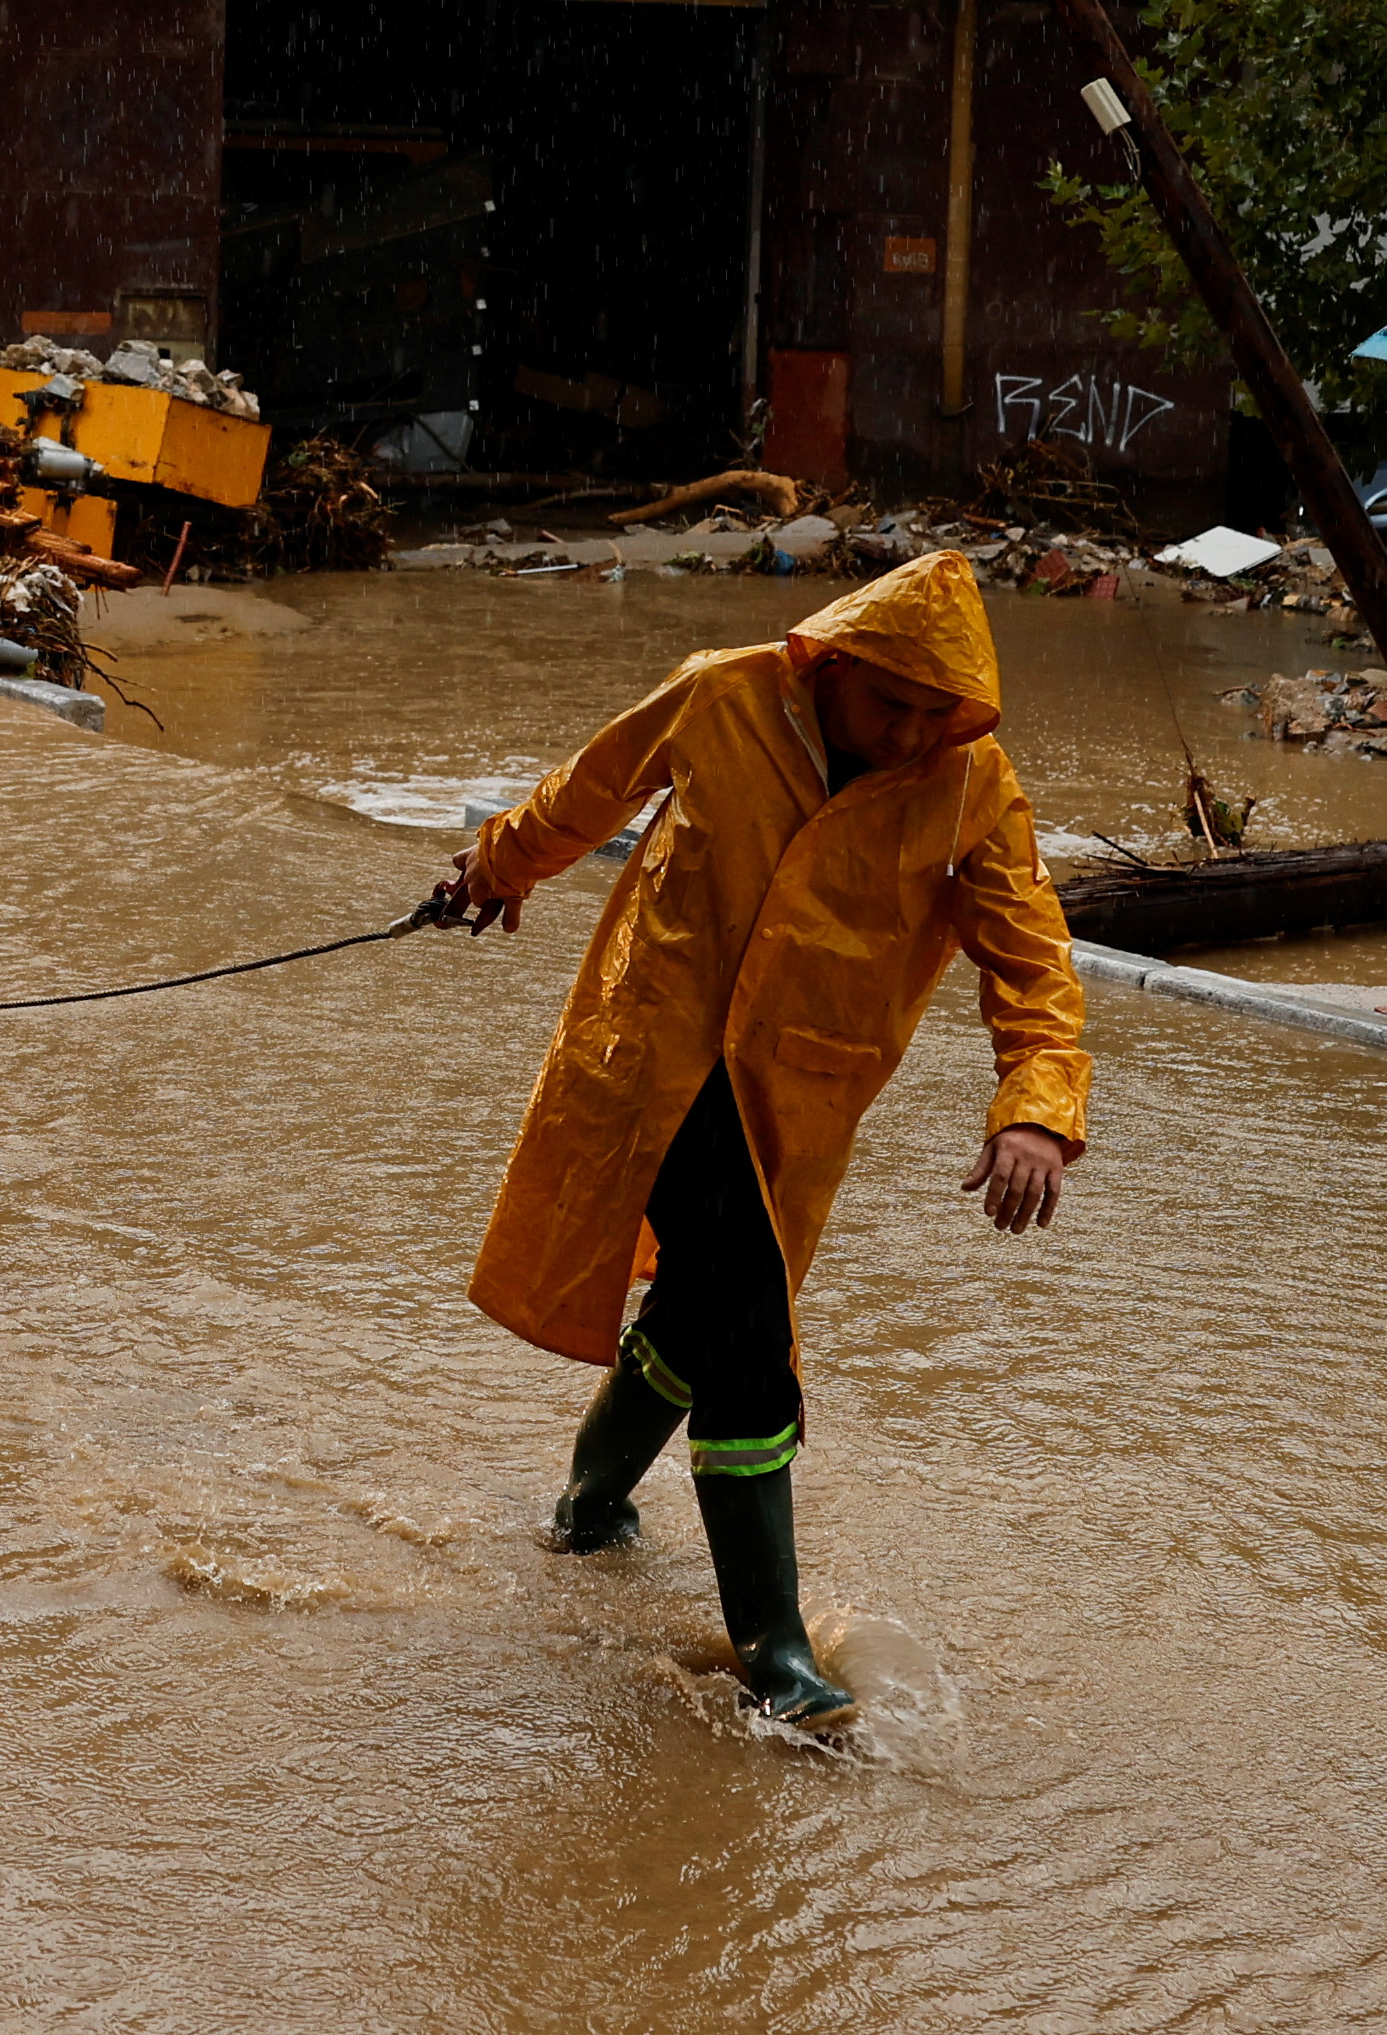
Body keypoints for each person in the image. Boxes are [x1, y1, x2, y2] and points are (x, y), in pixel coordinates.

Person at [440, 551, 1092, 1731]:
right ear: (827, 664)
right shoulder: (721, 695)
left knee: (698, 1304)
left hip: (798, 1097)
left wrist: (1036, 1106)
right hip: (659, 1057)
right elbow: (586, 792)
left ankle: (588, 1502)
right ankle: (775, 1653)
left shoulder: (970, 786)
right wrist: (497, 864)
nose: (907, 732)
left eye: (932, 713)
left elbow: (1035, 964)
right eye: (890, 702)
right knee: (746, 1324)